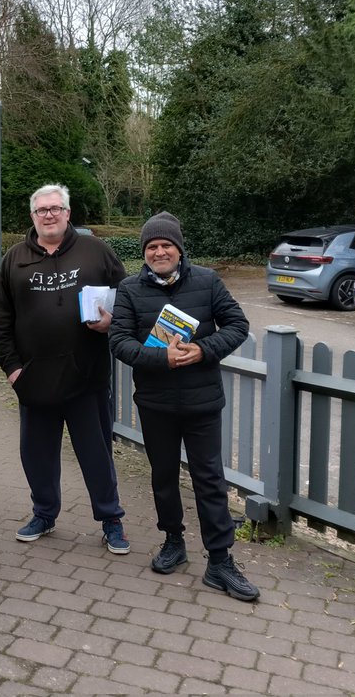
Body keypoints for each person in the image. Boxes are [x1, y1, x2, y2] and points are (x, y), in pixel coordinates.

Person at [107, 211, 259, 601]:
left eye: (166, 245)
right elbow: (119, 340)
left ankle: (220, 560)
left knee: (210, 479)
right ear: (144, 252)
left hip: (202, 401)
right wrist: (163, 360)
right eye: (152, 246)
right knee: (163, 476)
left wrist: (203, 349)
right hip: (156, 402)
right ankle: (173, 540)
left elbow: (237, 325)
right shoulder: (129, 289)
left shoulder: (207, 281)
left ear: (178, 249)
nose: (159, 252)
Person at [0, 183, 131, 554]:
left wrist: (112, 321)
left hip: (87, 376)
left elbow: (129, 299)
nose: (49, 215)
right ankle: (44, 513)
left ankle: (110, 518)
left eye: (55, 209)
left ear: (68, 213)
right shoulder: (14, 259)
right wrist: (12, 369)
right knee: (36, 453)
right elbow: (1, 320)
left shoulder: (96, 251)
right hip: (34, 378)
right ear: (32, 216)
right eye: (41, 211)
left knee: (96, 452)